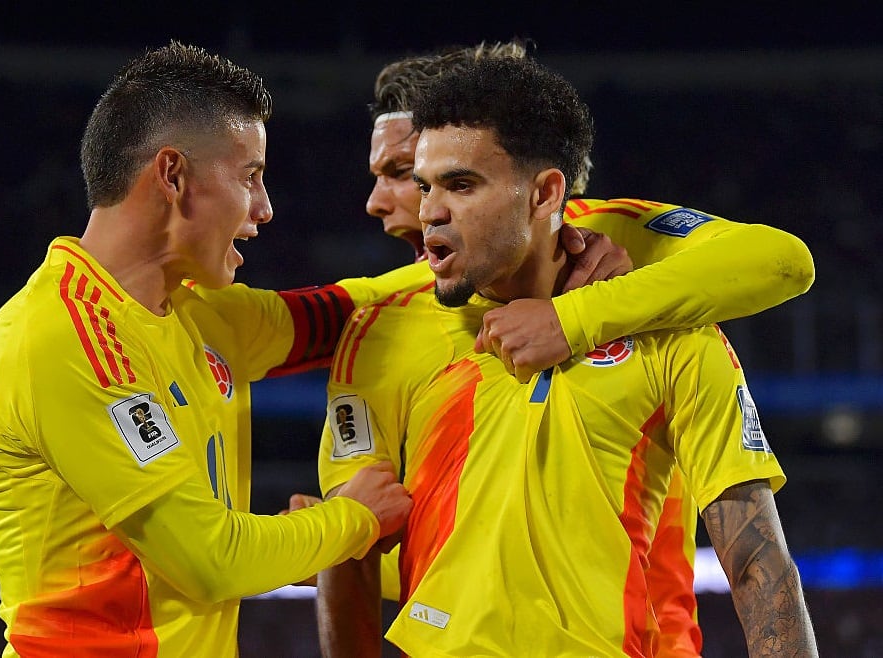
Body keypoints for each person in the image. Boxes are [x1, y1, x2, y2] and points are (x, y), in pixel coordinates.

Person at [327, 39, 814, 657]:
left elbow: (760, 569)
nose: (428, 211)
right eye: (422, 185)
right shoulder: (385, 330)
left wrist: (572, 319)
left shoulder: (675, 337)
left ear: (545, 193)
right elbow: (358, 550)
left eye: (460, 184)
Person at [0, 41, 413, 657]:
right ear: (173, 175)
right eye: (251, 177)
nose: (265, 208)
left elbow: (356, 309)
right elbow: (211, 561)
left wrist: (563, 238)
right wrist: (355, 518)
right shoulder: (60, 337)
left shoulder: (195, 312)